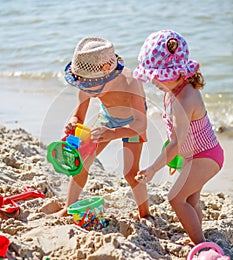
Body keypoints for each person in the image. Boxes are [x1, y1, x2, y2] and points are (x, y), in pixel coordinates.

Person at [133, 29, 224, 244]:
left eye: (157, 75)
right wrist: (177, 158)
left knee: (175, 198)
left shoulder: (185, 100)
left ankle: (201, 244)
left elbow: (177, 141)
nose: (153, 80)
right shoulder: (172, 91)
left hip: (206, 156)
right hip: (194, 155)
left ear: (178, 72)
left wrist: (153, 168)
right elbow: (176, 137)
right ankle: (197, 232)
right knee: (191, 200)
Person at [56, 36, 150, 219]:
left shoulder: (131, 82)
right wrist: (74, 122)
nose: (86, 89)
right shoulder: (85, 81)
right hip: (107, 117)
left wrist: (113, 133)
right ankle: (69, 208)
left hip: (132, 122)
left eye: (90, 85)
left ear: (108, 74)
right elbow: (79, 115)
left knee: (130, 173)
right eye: (83, 84)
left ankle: (145, 214)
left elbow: (141, 124)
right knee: (81, 163)